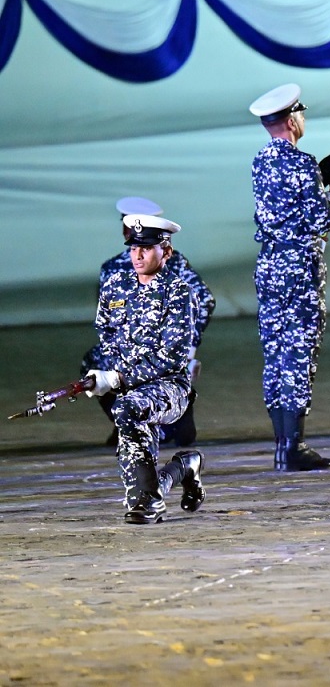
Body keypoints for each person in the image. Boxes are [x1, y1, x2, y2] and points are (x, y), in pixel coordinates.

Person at [249, 83, 330, 471]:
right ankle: (294, 447)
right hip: (299, 269)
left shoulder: (260, 162)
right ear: (290, 120)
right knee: (299, 354)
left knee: (277, 355)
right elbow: (319, 219)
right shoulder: (301, 164)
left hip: (269, 267)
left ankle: (281, 445)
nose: (303, 120)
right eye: (300, 114)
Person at [84, 213, 205, 524]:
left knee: (125, 409)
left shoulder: (176, 292)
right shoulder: (115, 287)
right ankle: (181, 469)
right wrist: (100, 376)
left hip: (169, 388)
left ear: (165, 250)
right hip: (132, 392)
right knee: (137, 489)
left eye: (147, 248)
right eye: (133, 247)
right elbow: (106, 337)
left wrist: (118, 378)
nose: (137, 255)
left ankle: (151, 502)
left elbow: (172, 357)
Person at [84, 196, 215, 448]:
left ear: (125, 229)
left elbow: (106, 325)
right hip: (161, 353)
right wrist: (189, 347)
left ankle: (143, 423)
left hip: (142, 355)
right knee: (103, 364)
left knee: (97, 363)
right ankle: (138, 422)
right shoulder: (173, 260)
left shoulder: (113, 268)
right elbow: (206, 301)